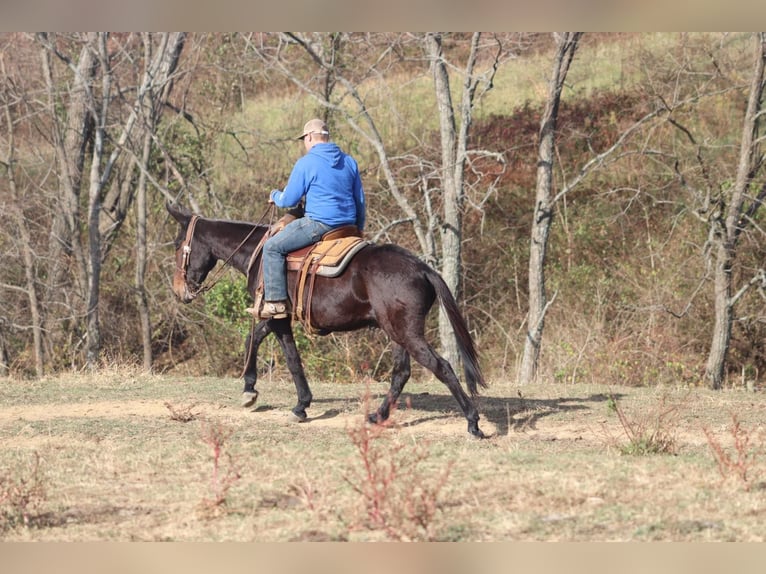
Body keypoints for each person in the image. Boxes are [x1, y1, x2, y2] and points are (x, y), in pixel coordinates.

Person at [260, 118, 366, 319]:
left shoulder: (306, 163)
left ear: (308, 137)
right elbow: (360, 201)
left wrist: (274, 195)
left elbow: (288, 200)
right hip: (348, 227)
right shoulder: (349, 161)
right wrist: (359, 229)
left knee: (272, 247)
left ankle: (275, 303)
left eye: (304, 139)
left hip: (319, 224)